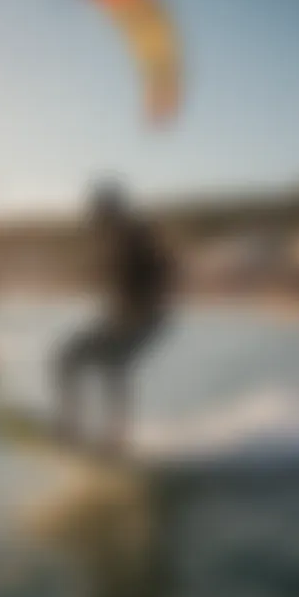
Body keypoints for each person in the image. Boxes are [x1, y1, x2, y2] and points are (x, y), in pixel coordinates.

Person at [54, 180, 175, 451]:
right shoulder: (115, 238)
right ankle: (76, 426)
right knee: (69, 357)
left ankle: (113, 437)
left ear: (111, 211)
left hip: (145, 319)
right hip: (122, 319)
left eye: (98, 214)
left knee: (111, 364)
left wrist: (139, 310)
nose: (94, 220)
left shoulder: (137, 237)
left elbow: (163, 274)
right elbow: (109, 274)